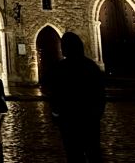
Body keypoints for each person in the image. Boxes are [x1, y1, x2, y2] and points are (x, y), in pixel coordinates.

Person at [43, 31, 105, 163]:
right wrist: (97, 113)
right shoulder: (91, 66)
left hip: (70, 119)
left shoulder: (61, 68)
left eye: (63, 46)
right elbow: (100, 92)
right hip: (89, 118)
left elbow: (54, 93)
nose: (62, 48)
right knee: (93, 152)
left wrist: (56, 114)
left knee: (74, 154)